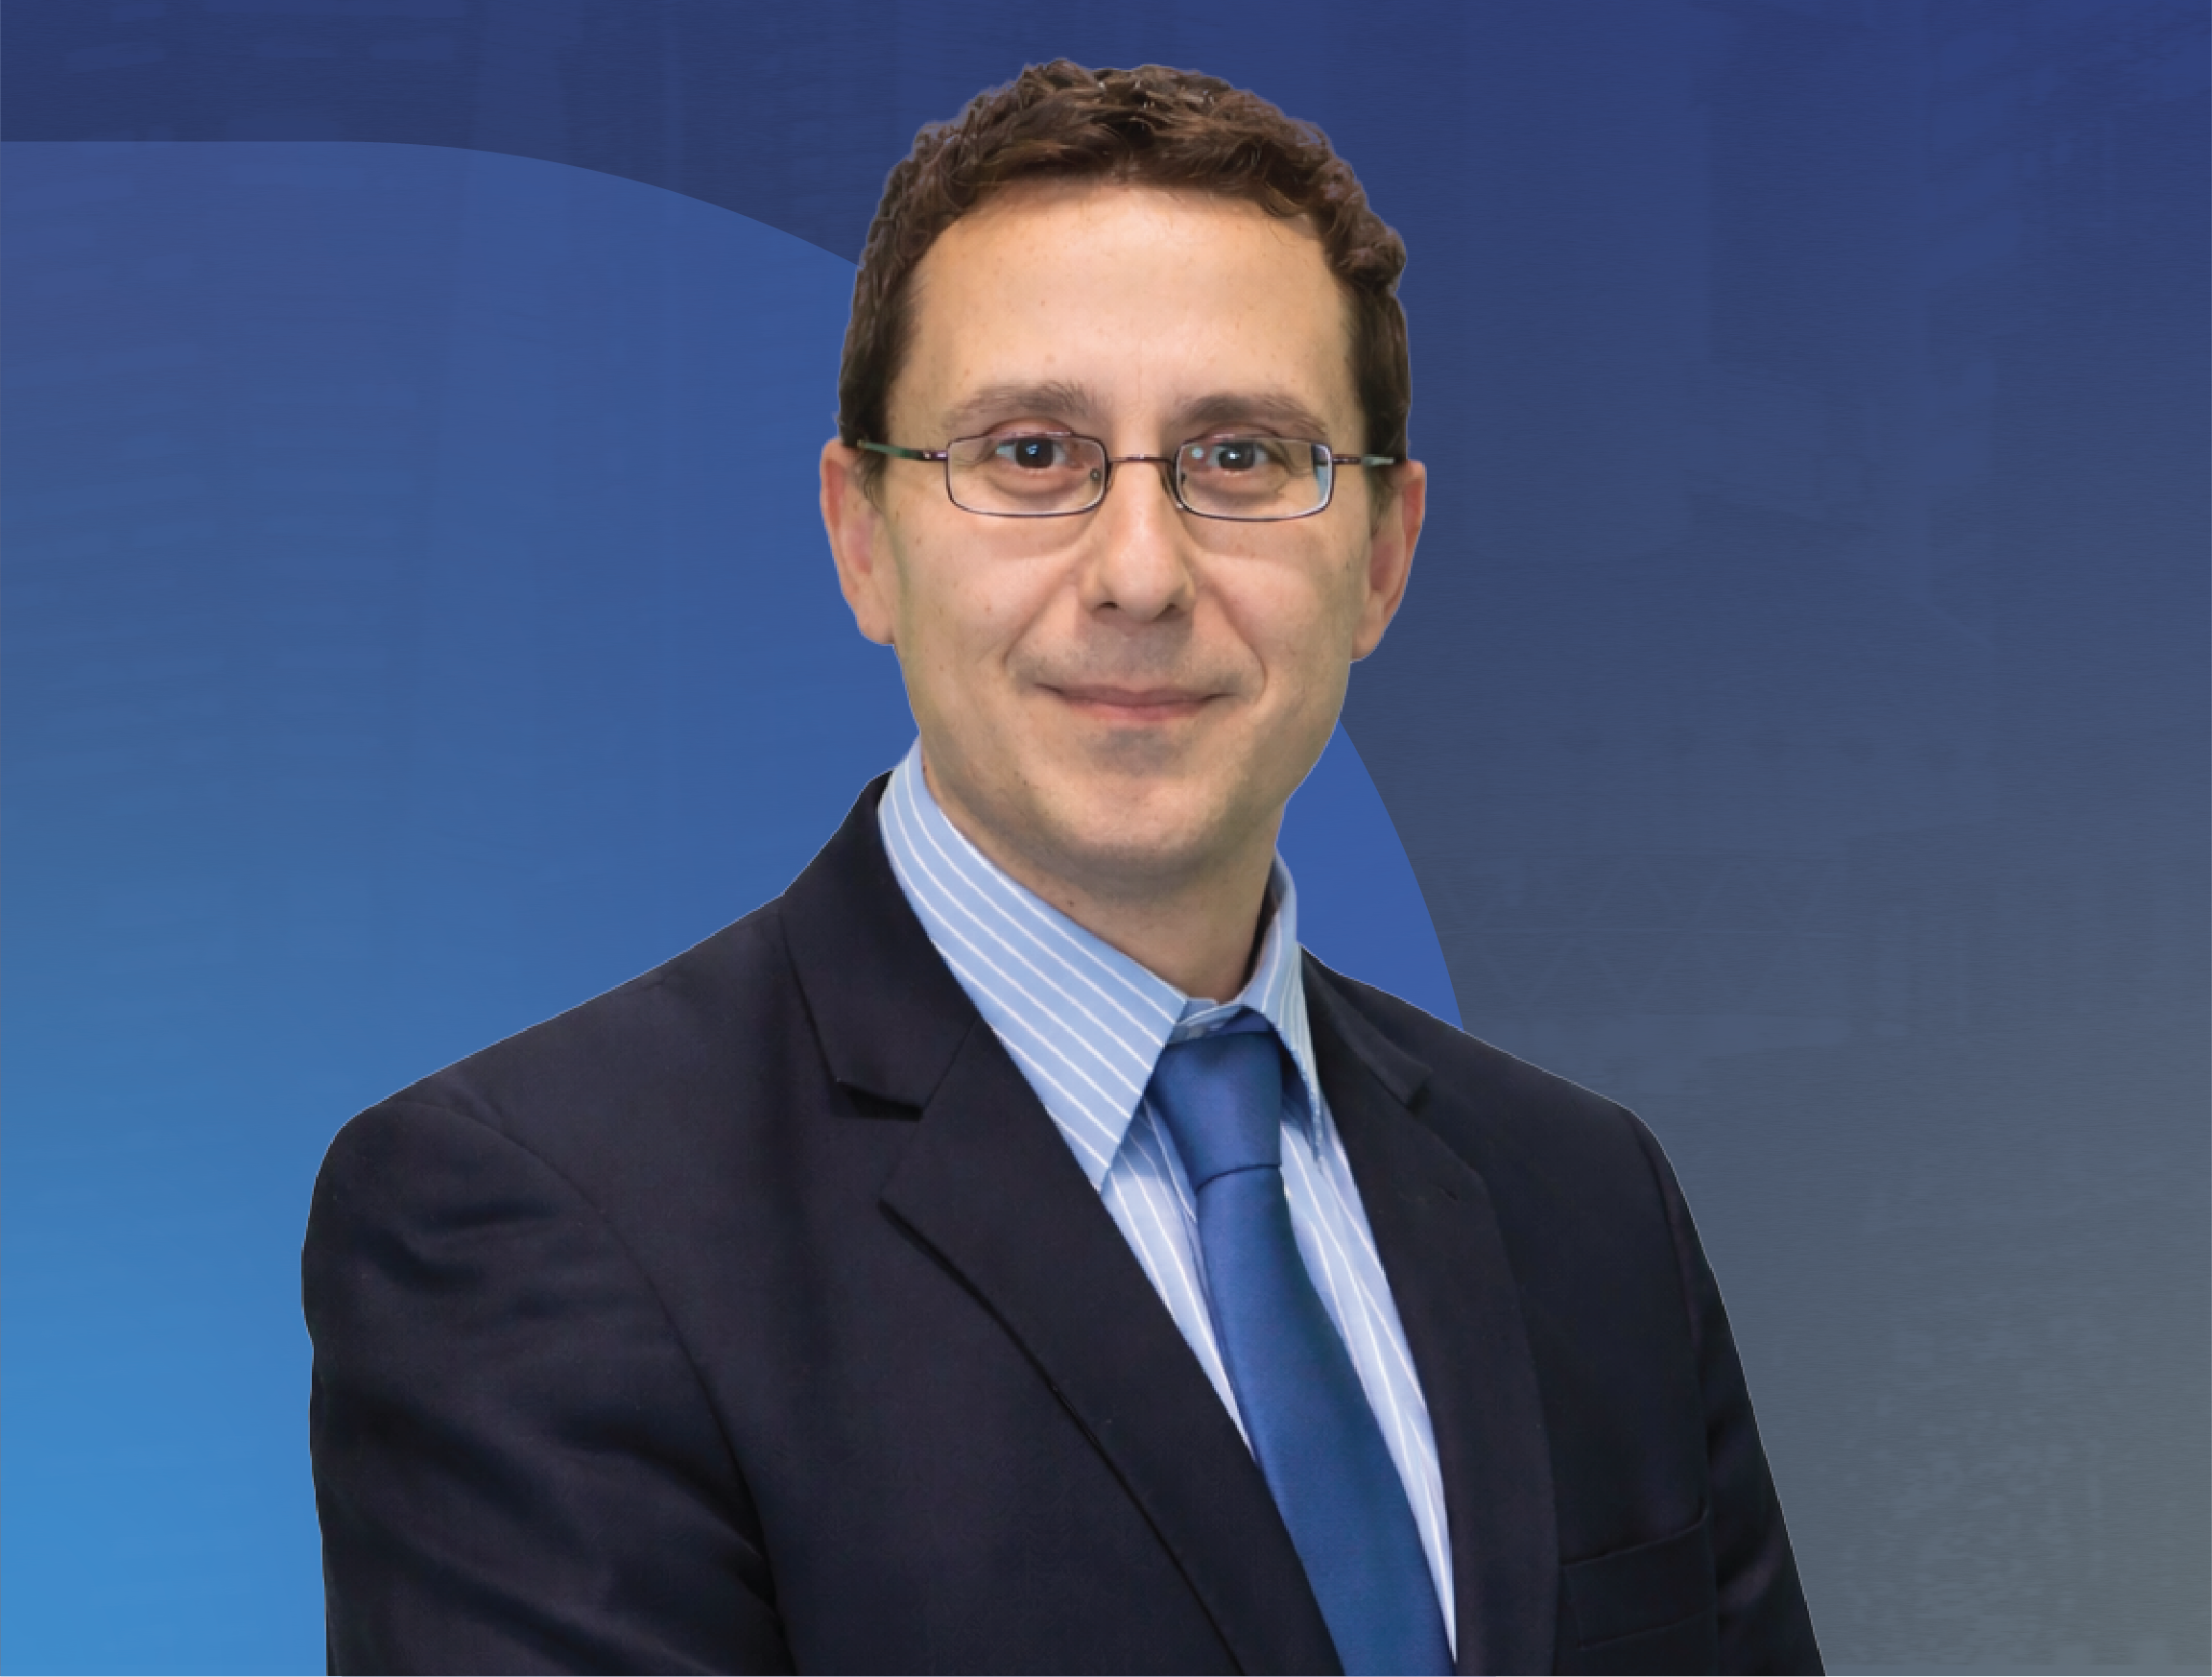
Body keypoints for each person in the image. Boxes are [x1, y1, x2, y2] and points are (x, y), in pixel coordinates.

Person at [303, 60, 1822, 1676]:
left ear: (1382, 557)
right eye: (1031, 451)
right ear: (862, 535)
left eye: (1242, 458)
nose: (1141, 571)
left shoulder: (1585, 1204)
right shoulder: (534, 1216)